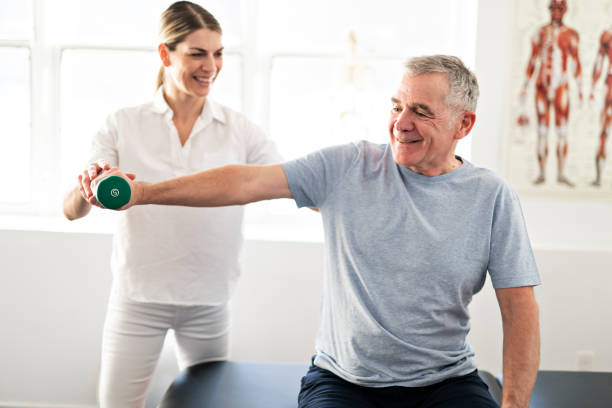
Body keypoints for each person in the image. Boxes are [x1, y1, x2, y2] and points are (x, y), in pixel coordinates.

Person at [89, 55, 541, 408]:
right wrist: (143, 191)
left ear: (464, 124)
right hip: (344, 381)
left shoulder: (491, 197)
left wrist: (514, 403)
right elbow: (245, 181)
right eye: (397, 106)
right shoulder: (349, 166)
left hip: (445, 382)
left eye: (421, 112)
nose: (401, 123)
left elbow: (519, 310)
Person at [62, 2, 280, 407]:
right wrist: (86, 188)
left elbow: (288, 181)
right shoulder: (123, 123)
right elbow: (71, 210)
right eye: (197, 53)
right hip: (138, 298)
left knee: (209, 403)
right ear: (165, 54)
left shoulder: (240, 130)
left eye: (218, 54)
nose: (211, 66)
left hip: (208, 300)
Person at [517, 0, 582, 187]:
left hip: (561, 86)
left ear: (565, 10)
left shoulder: (571, 35)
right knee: (542, 132)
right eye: (552, 8)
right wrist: (524, 86)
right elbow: (532, 61)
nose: (556, 12)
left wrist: (579, 89)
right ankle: (542, 173)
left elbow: (576, 62)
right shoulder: (540, 33)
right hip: (541, 87)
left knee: (562, 132)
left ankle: (561, 173)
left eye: (559, 8)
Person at [589, 26, 612, 186]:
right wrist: (592, 87)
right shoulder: (607, 35)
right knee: (604, 129)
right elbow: (599, 61)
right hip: (610, 86)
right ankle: (599, 177)